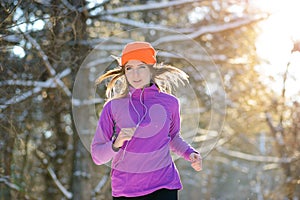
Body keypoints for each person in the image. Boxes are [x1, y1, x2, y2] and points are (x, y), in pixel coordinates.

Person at [91, 41, 202, 200]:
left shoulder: (170, 103)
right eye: (129, 68)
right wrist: (117, 142)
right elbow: (97, 156)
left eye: (141, 67)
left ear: (151, 69)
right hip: (126, 189)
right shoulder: (113, 107)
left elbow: (173, 137)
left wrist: (190, 153)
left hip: (164, 184)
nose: (135, 75)